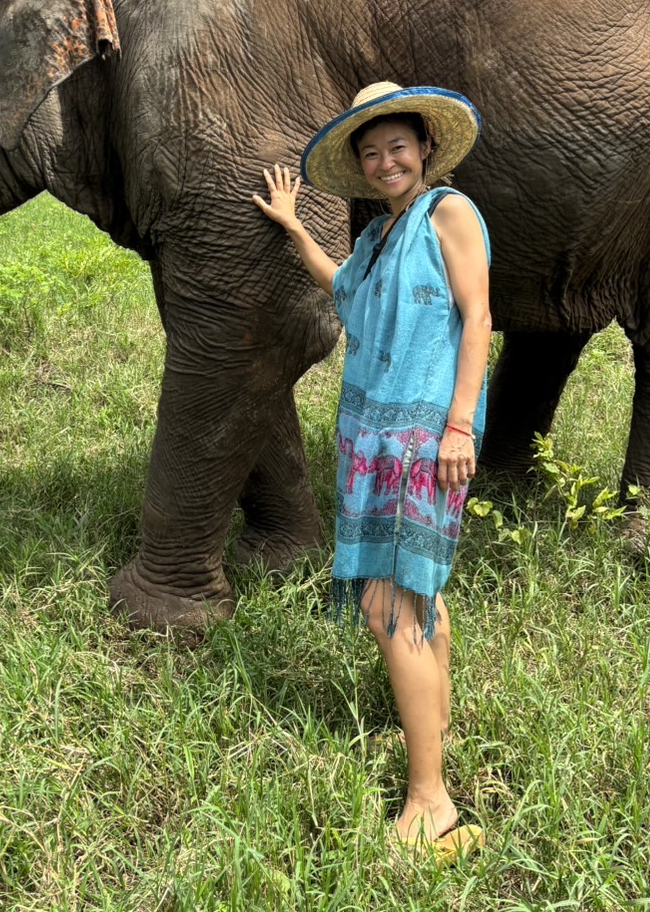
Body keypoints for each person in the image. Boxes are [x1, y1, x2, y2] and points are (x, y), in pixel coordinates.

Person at [253, 81, 490, 863]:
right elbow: (342, 288)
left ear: (425, 147)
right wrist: (293, 225)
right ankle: (434, 733)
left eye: (398, 146)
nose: (386, 161)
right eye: (372, 152)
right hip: (373, 437)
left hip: (423, 438)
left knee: (390, 603)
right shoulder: (380, 236)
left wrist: (460, 424)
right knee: (419, 594)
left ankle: (432, 802)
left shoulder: (449, 212)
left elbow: (478, 316)